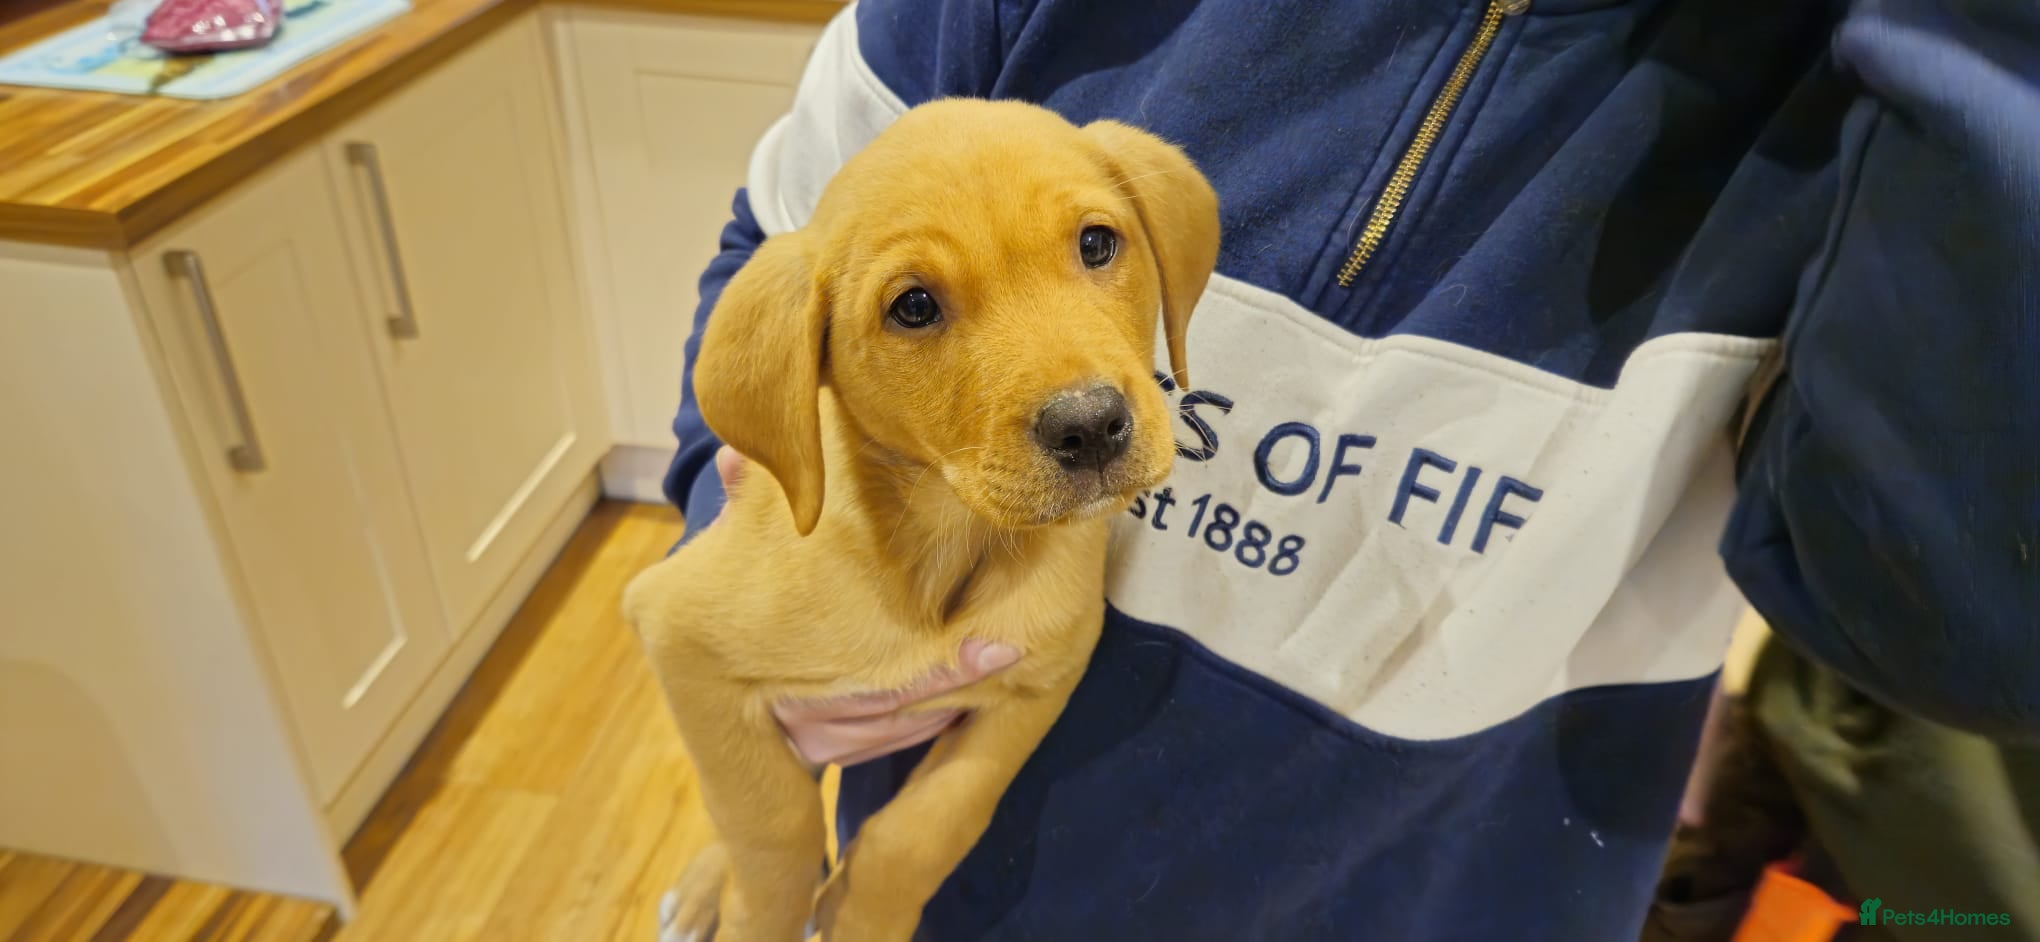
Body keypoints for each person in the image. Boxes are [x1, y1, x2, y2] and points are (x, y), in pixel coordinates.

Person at [660, 0, 2040, 938]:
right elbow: (775, 257)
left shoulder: (1888, 96)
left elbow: (1965, 631)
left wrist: (1996, 69)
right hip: (968, 897)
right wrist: (757, 597)